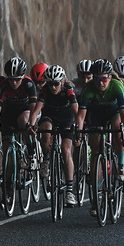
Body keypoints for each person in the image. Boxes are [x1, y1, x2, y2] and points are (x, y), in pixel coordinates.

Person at [75, 59, 124, 217]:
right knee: (95, 148)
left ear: (110, 78)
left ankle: (121, 164)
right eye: (97, 79)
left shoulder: (117, 86)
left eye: (104, 79)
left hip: (114, 113)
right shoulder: (88, 88)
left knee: (118, 131)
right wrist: (78, 132)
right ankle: (95, 194)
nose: (100, 83)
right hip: (97, 115)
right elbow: (81, 115)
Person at [28, 65, 79, 206]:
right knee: (45, 131)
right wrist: (31, 125)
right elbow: (36, 110)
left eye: (56, 84)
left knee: (66, 150)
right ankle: (46, 159)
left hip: (66, 119)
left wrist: (79, 128)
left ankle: (69, 190)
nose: (53, 87)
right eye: (50, 84)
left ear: (62, 82)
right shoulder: (45, 91)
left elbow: (76, 111)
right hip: (49, 116)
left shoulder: (68, 90)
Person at [0, 57, 38, 159]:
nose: (14, 83)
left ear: (23, 77)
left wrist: (31, 124)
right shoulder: (3, 85)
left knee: (23, 120)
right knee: (7, 149)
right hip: (8, 113)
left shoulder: (28, 84)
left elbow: (33, 106)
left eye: (17, 79)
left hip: (24, 110)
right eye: (11, 79)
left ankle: (30, 151)